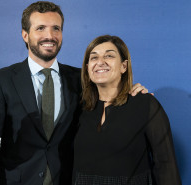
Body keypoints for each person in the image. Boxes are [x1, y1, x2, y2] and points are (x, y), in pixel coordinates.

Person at [0, 2, 147, 185]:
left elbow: (109, 103)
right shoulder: (3, 79)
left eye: (56, 28)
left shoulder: (82, 79)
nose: (49, 36)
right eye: (40, 28)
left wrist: (131, 94)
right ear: (25, 35)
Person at [73, 35, 181, 185]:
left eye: (109, 56)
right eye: (93, 58)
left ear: (124, 66)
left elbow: (165, 165)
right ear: (87, 68)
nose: (100, 62)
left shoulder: (146, 104)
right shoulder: (77, 108)